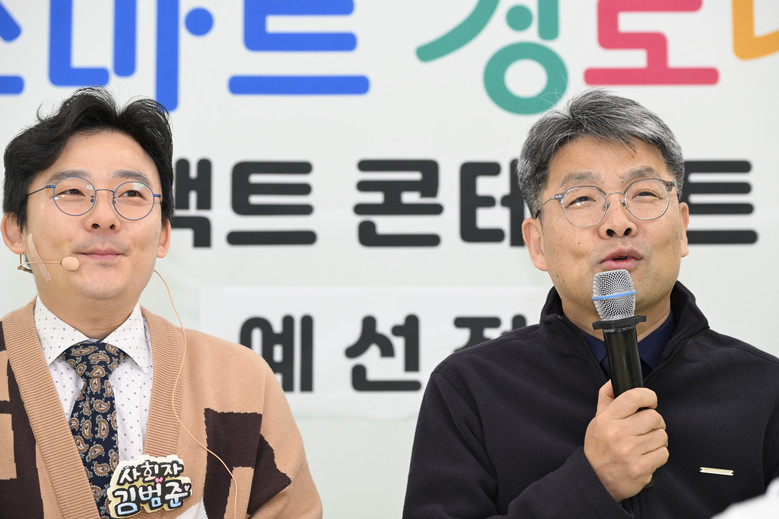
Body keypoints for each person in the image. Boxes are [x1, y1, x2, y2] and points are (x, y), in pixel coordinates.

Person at [402, 90, 779, 518]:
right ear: (537, 243)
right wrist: (590, 484)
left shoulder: (765, 390)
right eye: (582, 198)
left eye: (644, 193)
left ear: (682, 227)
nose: (618, 223)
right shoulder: (470, 389)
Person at [0, 88, 322, 518]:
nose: (104, 217)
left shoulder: (241, 382)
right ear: (15, 230)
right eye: (73, 191)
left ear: (164, 236)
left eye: (131, 194)